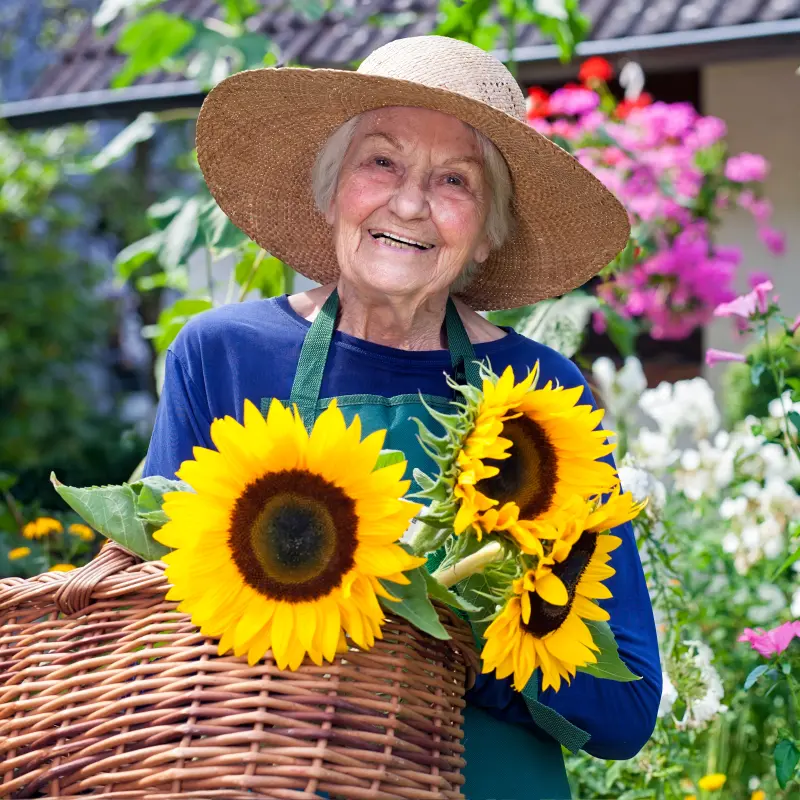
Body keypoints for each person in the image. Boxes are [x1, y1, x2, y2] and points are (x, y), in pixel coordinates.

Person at [143, 35, 661, 800]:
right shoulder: (224, 357)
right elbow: (154, 631)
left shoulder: (539, 393)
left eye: (455, 180)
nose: (410, 202)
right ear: (330, 190)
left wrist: (455, 632)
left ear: (487, 232)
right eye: (380, 161)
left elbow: (625, 709)